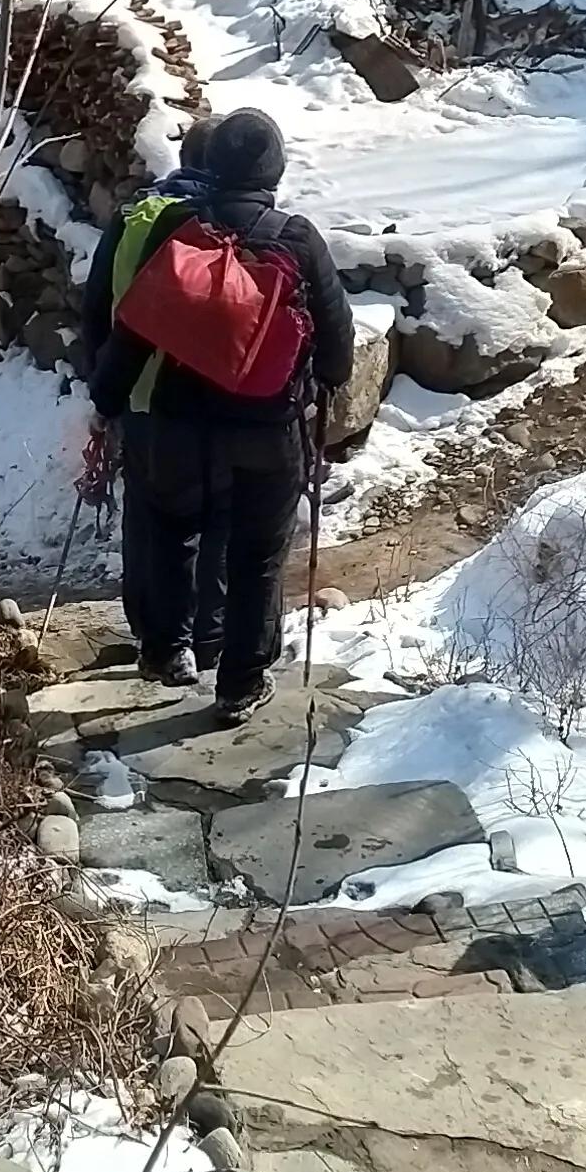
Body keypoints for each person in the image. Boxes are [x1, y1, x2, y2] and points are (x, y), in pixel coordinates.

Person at [75, 108, 353, 716]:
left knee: (171, 533)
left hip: (176, 426)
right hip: (266, 429)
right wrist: (319, 384)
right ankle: (241, 682)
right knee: (257, 556)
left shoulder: (180, 229)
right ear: (274, 169)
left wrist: (104, 401)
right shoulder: (297, 237)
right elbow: (337, 341)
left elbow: (135, 330)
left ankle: (168, 652)